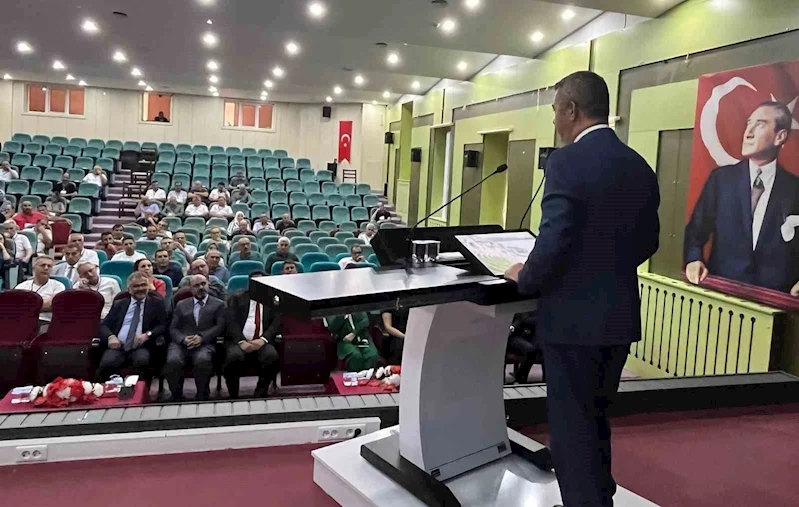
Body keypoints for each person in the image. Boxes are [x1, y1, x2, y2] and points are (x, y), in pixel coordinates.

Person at [503, 71, 660, 507]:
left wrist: (524, 277)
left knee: (572, 432)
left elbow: (555, 240)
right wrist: (604, 267)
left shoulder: (566, 162)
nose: (555, 119)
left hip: (574, 324)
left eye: (556, 110)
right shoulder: (638, 164)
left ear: (571, 110)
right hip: (618, 319)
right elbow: (649, 241)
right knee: (596, 420)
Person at [684, 101, 799, 295]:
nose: (748, 133)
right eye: (748, 123)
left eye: (760, 124)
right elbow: (696, 230)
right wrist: (693, 259)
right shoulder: (721, 180)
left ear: (780, 136)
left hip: (776, 300)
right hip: (722, 294)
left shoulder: (795, 189)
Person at [165, 275, 225, 401]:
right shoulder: (181, 305)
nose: (201, 287)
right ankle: (177, 396)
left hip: (205, 343)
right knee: (173, 361)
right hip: (181, 342)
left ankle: (202, 395)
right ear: (190, 289)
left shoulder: (219, 304)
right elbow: (173, 328)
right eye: (196, 286)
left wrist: (202, 338)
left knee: (202, 359)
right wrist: (183, 339)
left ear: (208, 285)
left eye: (203, 284)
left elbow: (220, 327)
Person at [96, 272, 166, 380]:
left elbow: (163, 325)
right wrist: (111, 337)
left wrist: (148, 335)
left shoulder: (156, 303)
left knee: (142, 362)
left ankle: (141, 390)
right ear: (129, 289)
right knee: (106, 364)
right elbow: (104, 325)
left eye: (143, 285)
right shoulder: (119, 304)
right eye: (136, 286)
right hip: (118, 346)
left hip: (141, 346)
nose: (140, 288)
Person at [223, 289, 281, 398]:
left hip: (262, 342)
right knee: (234, 356)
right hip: (238, 342)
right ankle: (233, 395)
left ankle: (260, 393)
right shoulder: (236, 299)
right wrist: (241, 341)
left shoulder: (273, 300)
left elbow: (275, 323)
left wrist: (263, 339)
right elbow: (231, 322)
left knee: (271, 355)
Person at [15, 256, 66, 331]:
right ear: (34, 268)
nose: (46, 268)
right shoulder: (22, 286)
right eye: (43, 265)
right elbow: (16, 306)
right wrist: (43, 303)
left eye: (49, 266)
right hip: (24, 321)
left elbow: (52, 305)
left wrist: (27, 305)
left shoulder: (58, 286)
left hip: (46, 322)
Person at [506, 311, 540, 384]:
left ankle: (521, 378)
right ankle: (520, 378)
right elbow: (523, 318)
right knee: (530, 349)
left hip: (528, 334)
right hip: (512, 335)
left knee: (538, 347)